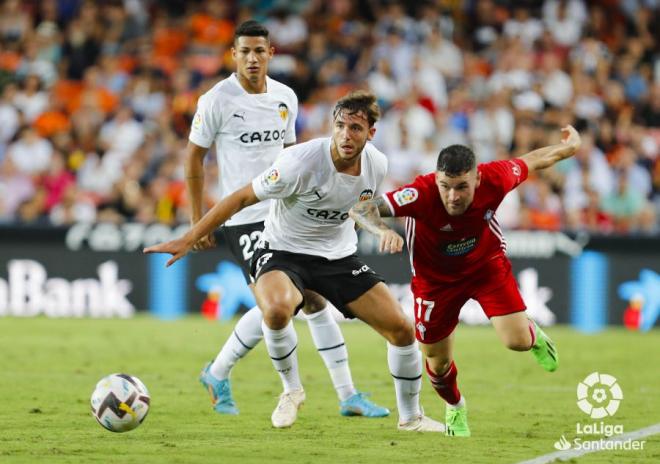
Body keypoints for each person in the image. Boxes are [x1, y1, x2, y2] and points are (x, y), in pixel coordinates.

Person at [145, 91, 444, 432]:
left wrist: (379, 230)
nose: (347, 135)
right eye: (341, 126)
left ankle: (411, 418)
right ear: (332, 126)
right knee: (275, 310)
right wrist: (189, 236)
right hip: (283, 250)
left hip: (337, 256)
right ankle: (291, 391)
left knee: (403, 330)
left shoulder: (377, 164)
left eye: (356, 128)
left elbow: (362, 208)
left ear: (371, 132)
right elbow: (241, 196)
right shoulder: (300, 162)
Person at [185, 21, 387, 418]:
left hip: (289, 212)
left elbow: (294, 156)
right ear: (234, 54)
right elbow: (194, 157)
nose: (253, 58)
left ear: (271, 53)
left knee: (312, 299)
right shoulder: (215, 100)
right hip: (246, 215)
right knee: (283, 304)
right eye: (245, 51)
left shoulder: (286, 98)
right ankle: (319, 392)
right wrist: (198, 222)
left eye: (260, 51)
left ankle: (345, 396)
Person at [349, 126, 581, 437]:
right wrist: (383, 230)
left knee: (517, 342)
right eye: (445, 186)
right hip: (435, 282)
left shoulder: (496, 176)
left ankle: (532, 334)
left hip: (485, 267)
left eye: (461, 187)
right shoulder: (421, 192)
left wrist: (569, 148)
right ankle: (456, 406)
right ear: (436, 179)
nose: (453, 196)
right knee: (438, 363)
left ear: (477, 179)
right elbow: (361, 209)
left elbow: (534, 160)